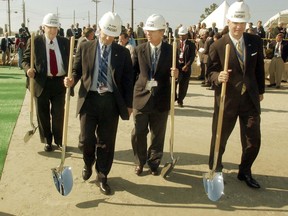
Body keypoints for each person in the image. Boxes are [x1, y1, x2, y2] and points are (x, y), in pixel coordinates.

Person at [64, 12, 134, 195]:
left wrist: (129, 104)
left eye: (113, 35)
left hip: (111, 102)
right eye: (106, 34)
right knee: (86, 139)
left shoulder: (123, 53)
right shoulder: (85, 46)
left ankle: (102, 175)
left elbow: (128, 80)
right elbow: (76, 70)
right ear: (99, 29)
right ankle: (88, 162)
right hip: (89, 99)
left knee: (106, 143)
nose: (109, 38)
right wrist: (71, 80)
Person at [207, 1, 265, 189]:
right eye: (235, 22)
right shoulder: (218, 45)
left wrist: (261, 91)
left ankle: (245, 171)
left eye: (242, 22)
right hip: (227, 99)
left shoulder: (255, 41)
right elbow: (210, 73)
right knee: (219, 138)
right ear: (228, 21)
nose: (238, 26)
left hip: (249, 99)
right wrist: (218, 76)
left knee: (253, 140)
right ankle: (216, 168)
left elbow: (259, 69)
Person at [131, 14, 179, 176]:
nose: (148, 33)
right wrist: (129, 101)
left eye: (152, 31)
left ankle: (154, 162)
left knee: (158, 135)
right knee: (138, 132)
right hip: (141, 98)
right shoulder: (139, 50)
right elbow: (132, 74)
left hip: (161, 99)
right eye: (147, 30)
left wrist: (176, 74)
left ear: (162, 32)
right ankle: (139, 161)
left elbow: (176, 73)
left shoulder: (171, 50)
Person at [22, 13, 70, 152]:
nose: (53, 31)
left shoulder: (64, 42)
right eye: (50, 28)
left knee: (58, 114)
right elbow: (25, 60)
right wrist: (28, 69)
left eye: (55, 28)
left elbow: (69, 62)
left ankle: (59, 140)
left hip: (60, 83)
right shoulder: (35, 41)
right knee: (42, 114)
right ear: (44, 27)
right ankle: (47, 141)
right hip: (41, 83)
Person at [175, 26, 196, 107]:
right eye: (180, 35)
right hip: (177, 66)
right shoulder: (175, 44)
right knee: (174, 83)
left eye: (183, 35)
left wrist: (187, 65)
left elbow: (192, 56)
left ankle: (180, 100)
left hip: (186, 66)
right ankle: (174, 97)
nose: (181, 36)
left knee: (184, 85)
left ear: (187, 35)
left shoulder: (191, 44)